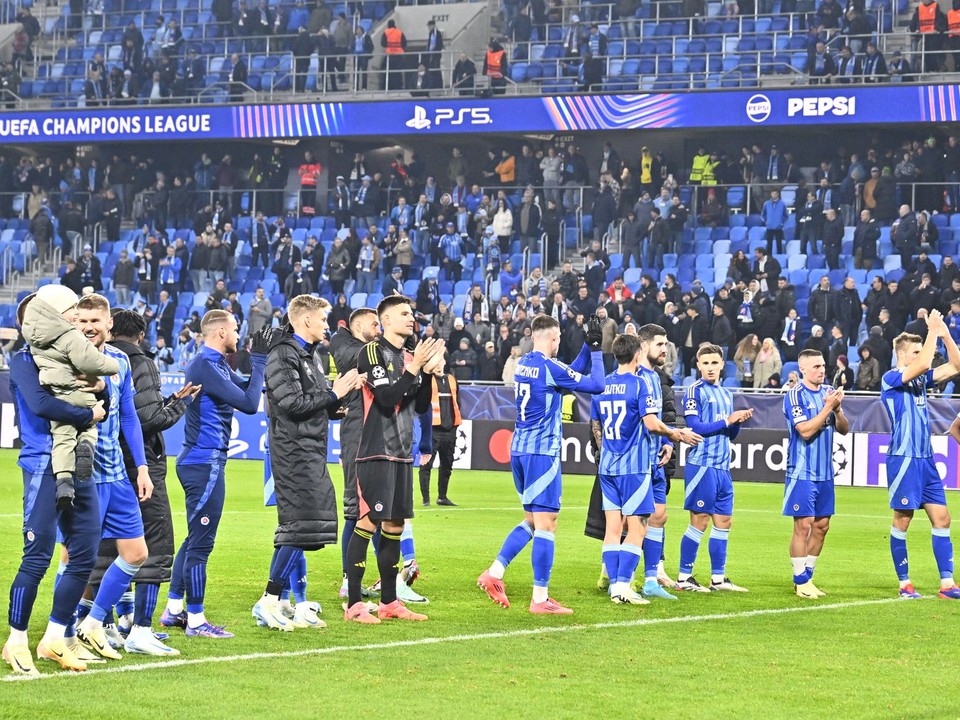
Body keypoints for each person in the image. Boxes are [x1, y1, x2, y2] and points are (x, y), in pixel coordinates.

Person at [3, 294, 106, 675]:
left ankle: (54, 638)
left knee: (84, 551)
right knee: (38, 553)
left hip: (79, 466)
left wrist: (97, 390)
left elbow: (105, 395)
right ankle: (15, 640)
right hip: (42, 465)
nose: (72, 324)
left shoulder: (71, 356)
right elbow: (41, 406)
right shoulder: (23, 360)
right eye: (67, 316)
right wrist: (88, 411)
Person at [477, 314, 606, 614]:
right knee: (547, 523)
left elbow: (568, 373)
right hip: (541, 452)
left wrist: (588, 344)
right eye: (559, 339)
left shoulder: (526, 364)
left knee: (534, 520)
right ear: (553, 338)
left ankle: (494, 573)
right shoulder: (550, 367)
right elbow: (597, 384)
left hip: (520, 450)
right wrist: (597, 350)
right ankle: (540, 598)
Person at [252, 296, 365, 631]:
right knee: (300, 525)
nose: (328, 326)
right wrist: (334, 393)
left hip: (309, 448)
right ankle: (270, 600)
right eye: (323, 320)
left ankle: (290, 602)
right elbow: (290, 403)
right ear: (305, 321)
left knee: (304, 526)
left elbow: (311, 403)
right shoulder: (283, 354)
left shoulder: (310, 355)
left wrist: (336, 404)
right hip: (292, 450)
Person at [160, 313, 270, 638]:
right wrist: (260, 360)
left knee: (194, 538)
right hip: (203, 461)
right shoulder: (205, 365)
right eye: (235, 329)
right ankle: (195, 621)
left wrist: (260, 362)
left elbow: (248, 388)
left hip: (202, 460)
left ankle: (174, 610)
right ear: (221, 331)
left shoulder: (217, 364)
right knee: (201, 545)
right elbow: (250, 404)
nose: (238, 333)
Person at [343, 296, 446, 624]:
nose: (410, 318)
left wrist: (427, 372)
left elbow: (419, 406)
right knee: (368, 523)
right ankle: (355, 604)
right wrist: (415, 367)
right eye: (403, 313)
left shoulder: (406, 356)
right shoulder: (372, 352)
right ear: (385, 320)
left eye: (411, 313)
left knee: (395, 526)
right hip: (376, 451)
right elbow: (386, 398)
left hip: (402, 453)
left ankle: (389, 602)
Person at [107, 309, 199, 655]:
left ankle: (110, 623)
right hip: (140, 464)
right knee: (155, 544)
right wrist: (180, 405)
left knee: (110, 545)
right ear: (141, 336)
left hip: (108, 463)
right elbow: (148, 418)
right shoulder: (140, 362)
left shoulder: (101, 357)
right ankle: (141, 628)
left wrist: (172, 399)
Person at [70, 294, 154, 662]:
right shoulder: (66, 358)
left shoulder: (120, 360)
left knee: (136, 553)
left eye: (95, 321)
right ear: (75, 324)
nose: (89, 327)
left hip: (117, 474)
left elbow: (130, 417)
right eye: (82, 321)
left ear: (108, 325)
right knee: (73, 558)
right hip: (81, 473)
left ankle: (93, 623)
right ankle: (65, 632)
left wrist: (142, 467)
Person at [590, 334, 700, 606]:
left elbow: (597, 427)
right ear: (637, 354)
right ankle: (623, 587)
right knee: (638, 527)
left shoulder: (601, 386)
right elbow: (651, 423)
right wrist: (676, 434)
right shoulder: (640, 384)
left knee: (613, 528)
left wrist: (607, 453)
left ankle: (615, 584)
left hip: (608, 467)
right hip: (635, 467)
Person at [20, 284, 120, 511]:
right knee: (90, 426)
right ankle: (86, 444)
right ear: (59, 311)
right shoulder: (69, 335)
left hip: (58, 392)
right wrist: (111, 367)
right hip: (79, 392)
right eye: (73, 310)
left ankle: (64, 481)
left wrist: (101, 386)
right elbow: (88, 362)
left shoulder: (37, 342)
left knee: (63, 437)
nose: (76, 315)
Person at [883, 312, 960, 599]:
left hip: (926, 460)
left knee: (942, 519)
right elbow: (926, 361)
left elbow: (956, 365)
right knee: (903, 519)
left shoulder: (920, 381)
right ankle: (904, 583)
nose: (922, 354)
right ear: (902, 355)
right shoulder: (891, 378)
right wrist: (931, 331)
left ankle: (947, 584)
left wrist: (945, 334)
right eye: (914, 351)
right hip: (903, 458)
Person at [677, 344, 752, 592]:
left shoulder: (726, 394)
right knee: (699, 521)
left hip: (722, 466)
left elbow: (729, 434)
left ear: (722, 365)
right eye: (705, 363)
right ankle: (684, 577)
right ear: (698, 366)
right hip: (702, 465)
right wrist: (727, 420)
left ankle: (717, 579)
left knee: (724, 521)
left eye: (714, 363)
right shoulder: (694, 391)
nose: (710, 367)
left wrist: (736, 422)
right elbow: (694, 427)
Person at [783, 349, 850, 599]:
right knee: (803, 525)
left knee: (822, 526)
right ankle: (800, 581)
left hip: (825, 472)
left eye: (823, 366)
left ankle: (807, 577)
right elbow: (805, 431)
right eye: (816, 367)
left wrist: (838, 410)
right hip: (802, 470)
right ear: (803, 369)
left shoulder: (828, 393)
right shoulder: (795, 396)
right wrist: (827, 409)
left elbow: (844, 429)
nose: (822, 370)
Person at [418, 354, 461, 507]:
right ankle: (426, 499)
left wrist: (454, 424)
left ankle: (442, 497)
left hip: (450, 430)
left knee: (447, 465)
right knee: (426, 465)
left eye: (439, 362)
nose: (437, 365)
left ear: (444, 362)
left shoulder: (452, 379)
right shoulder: (427, 380)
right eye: (434, 363)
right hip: (433, 429)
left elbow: (458, 402)